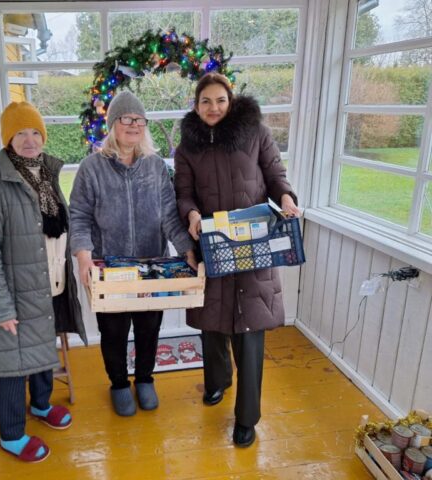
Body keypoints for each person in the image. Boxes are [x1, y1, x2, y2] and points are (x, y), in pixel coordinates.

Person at [174, 72, 301, 448]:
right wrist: (191, 214)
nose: (213, 108)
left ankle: (247, 417)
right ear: (196, 106)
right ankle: (217, 382)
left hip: (253, 243)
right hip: (212, 242)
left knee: (249, 331)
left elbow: (276, 175)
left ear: (231, 101)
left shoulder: (256, 133)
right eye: (205, 101)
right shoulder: (187, 147)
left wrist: (287, 197)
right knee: (211, 322)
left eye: (220, 100)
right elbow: (183, 193)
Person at [0, 101, 87, 463]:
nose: (30, 140)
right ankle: (11, 434)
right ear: (8, 139)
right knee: (13, 365)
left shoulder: (46, 176)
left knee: (41, 351)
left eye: (35, 132)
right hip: (15, 295)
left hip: (50, 286)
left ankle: (41, 405)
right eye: (20, 133)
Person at [70, 90, 196, 417]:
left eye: (140, 120)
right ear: (113, 124)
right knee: (113, 331)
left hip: (152, 265)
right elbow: (79, 216)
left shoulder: (155, 167)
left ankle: (144, 379)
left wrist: (187, 249)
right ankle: (118, 384)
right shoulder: (91, 168)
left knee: (148, 328)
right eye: (126, 118)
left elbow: (169, 215)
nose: (134, 125)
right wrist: (83, 255)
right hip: (109, 267)